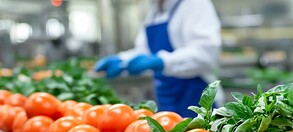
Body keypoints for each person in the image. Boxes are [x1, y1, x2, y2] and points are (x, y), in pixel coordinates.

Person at [94, 0, 224, 118]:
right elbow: (143, 51)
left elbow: (205, 53)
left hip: (196, 99)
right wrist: (122, 60)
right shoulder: (154, 12)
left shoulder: (194, 4)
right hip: (166, 99)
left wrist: (162, 61)